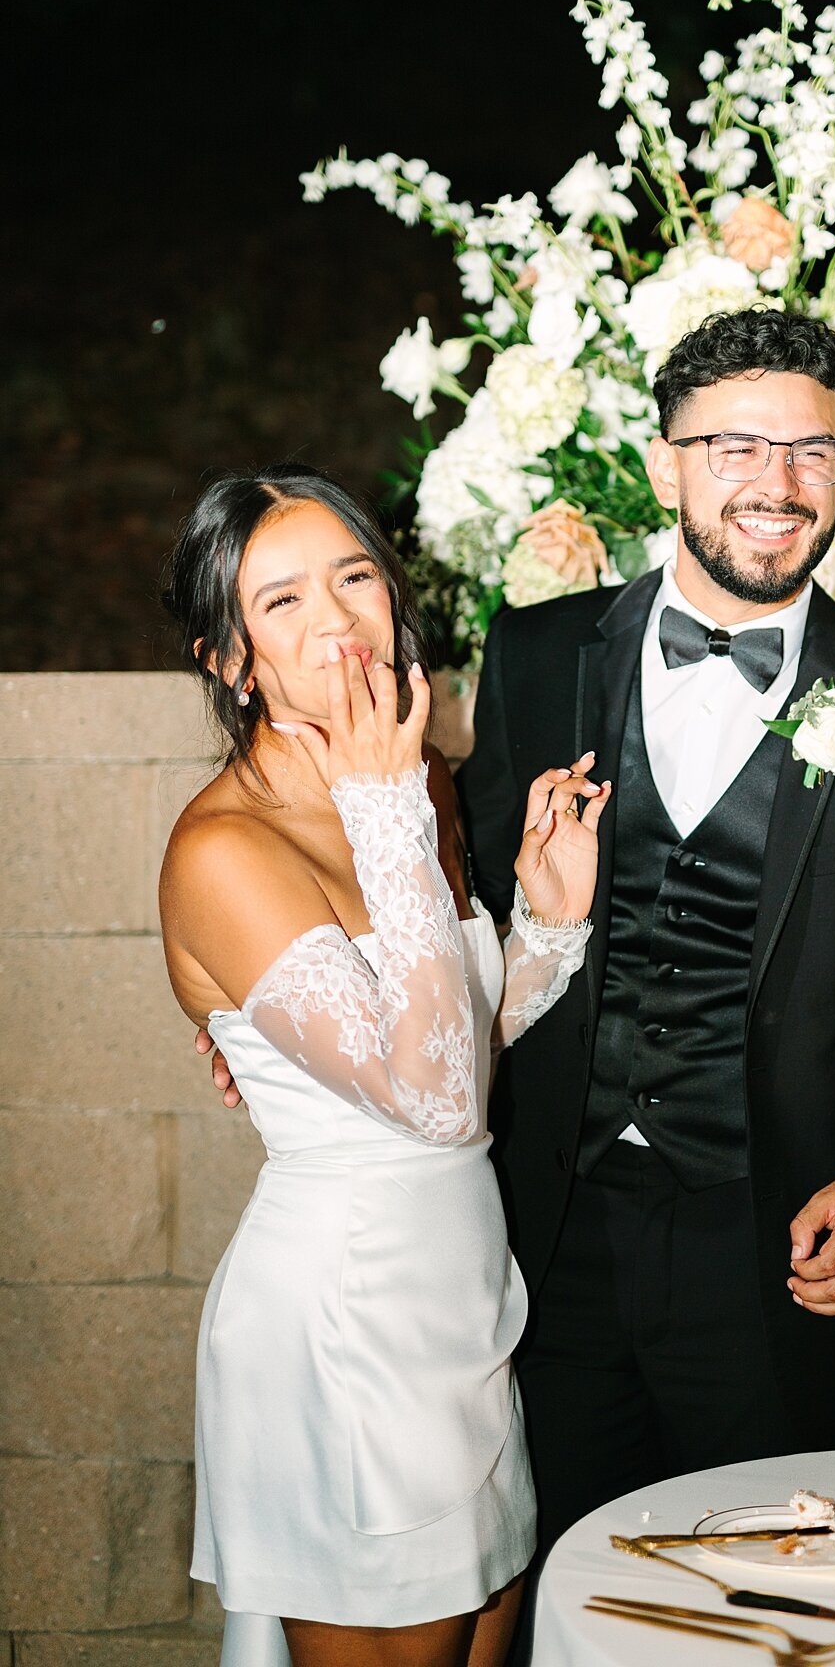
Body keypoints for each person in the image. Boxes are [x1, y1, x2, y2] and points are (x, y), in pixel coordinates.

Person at [455, 308, 835, 1592]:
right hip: (552, 1247)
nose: (776, 486)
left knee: (788, 1604)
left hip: (783, 1260)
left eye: (812, 453)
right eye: (735, 448)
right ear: (666, 466)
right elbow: (469, 936)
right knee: (563, 1597)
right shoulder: (538, 656)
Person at [159, 466, 609, 1667]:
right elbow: (442, 1104)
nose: (340, 619)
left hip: (459, 1303)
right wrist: (382, 810)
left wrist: (547, 928)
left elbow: (449, 1040)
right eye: (285, 601)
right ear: (232, 660)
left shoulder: (412, 783)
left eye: (355, 577)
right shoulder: (225, 850)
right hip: (343, 1323)